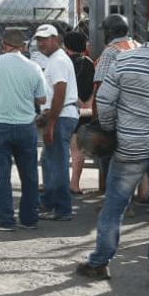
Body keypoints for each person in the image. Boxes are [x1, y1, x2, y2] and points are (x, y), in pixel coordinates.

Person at [77, 11, 149, 288]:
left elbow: (105, 100)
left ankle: (99, 263)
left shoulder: (125, 59)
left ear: (148, 31)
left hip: (129, 147)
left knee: (114, 206)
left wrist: (109, 128)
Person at [0, 29, 48, 231]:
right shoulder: (34, 67)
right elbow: (42, 98)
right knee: (29, 173)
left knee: (0, 172)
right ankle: (29, 219)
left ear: (3, 45)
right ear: (23, 46)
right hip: (26, 125)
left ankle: (5, 220)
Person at [34, 23, 80, 221]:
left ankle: (61, 208)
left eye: (45, 39)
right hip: (60, 114)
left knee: (57, 163)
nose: (41, 43)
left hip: (62, 115)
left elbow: (60, 91)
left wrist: (50, 123)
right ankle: (49, 202)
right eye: (38, 39)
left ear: (56, 39)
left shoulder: (58, 61)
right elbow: (56, 93)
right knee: (49, 161)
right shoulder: (56, 59)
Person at [93, 13, 139, 194]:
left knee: (110, 157)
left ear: (109, 32)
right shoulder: (136, 46)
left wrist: (99, 119)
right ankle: (130, 197)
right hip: (137, 112)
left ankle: (114, 199)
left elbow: (101, 86)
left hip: (116, 113)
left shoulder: (111, 50)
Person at [64, 31, 95, 195]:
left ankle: (57, 182)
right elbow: (93, 88)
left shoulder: (62, 62)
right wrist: (87, 104)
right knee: (77, 150)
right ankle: (74, 183)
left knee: (61, 149)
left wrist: (76, 100)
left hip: (65, 110)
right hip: (83, 112)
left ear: (66, 47)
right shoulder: (90, 63)